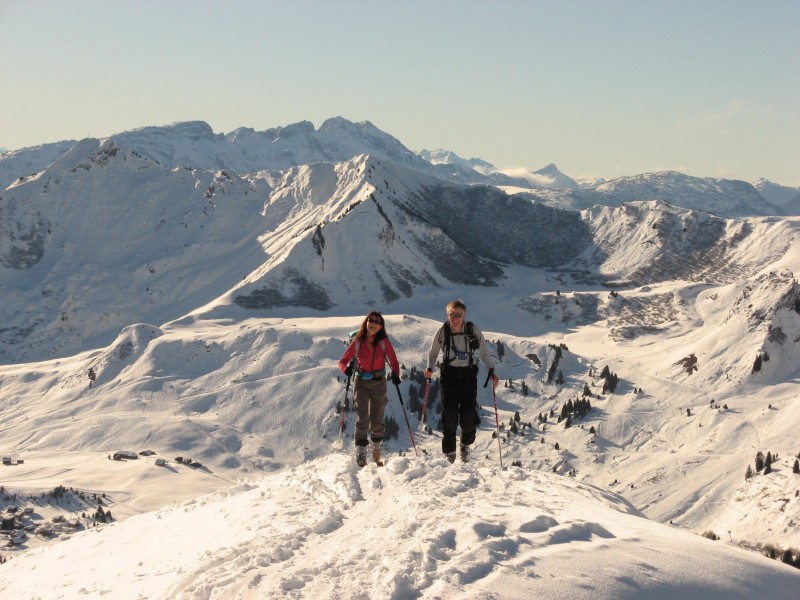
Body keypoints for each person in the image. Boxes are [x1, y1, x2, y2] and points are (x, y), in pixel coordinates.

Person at [424, 300, 498, 463]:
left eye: (459, 315)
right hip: (449, 376)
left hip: (468, 376)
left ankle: (465, 445)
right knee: (449, 416)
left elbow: (484, 353)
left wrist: (491, 371)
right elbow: (433, 353)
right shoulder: (443, 331)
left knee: (468, 417)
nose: (455, 318)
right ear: (448, 315)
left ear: (464, 315)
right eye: (452, 315)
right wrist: (429, 368)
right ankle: (449, 453)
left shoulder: (472, 330)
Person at [339, 311, 401, 467]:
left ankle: (375, 450)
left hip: (378, 383)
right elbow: (342, 362)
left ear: (381, 326)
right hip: (361, 382)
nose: (373, 323)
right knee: (363, 417)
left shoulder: (383, 342)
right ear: (366, 322)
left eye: (377, 322)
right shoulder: (358, 341)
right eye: (371, 320)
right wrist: (346, 369)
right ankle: (362, 452)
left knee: (376, 419)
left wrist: (396, 374)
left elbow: (394, 362)